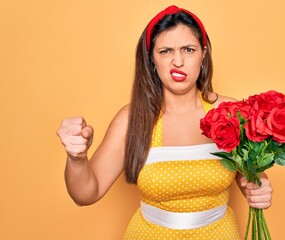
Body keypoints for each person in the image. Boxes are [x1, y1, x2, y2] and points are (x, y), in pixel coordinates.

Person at [57, 5, 273, 239]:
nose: (177, 61)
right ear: (152, 60)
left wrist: (260, 188)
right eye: (166, 51)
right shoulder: (132, 120)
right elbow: (87, 193)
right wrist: (76, 159)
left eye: (188, 50)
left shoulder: (230, 112)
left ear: (203, 54)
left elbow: (252, 177)